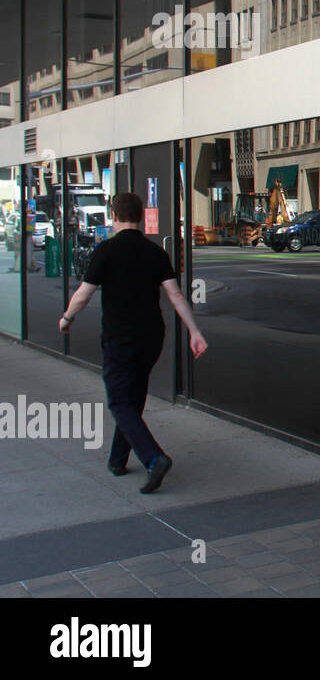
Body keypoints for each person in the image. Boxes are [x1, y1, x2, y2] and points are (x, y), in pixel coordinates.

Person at [58, 192, 207, 494]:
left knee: (119, 402)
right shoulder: (155, 253)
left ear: (113, 215)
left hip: (120, 338)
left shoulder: (106, 251)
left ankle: (154, 458)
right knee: (133, 397)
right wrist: (194, 331)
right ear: (140, 215)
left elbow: (84, 294)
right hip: (152, 336)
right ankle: (117, 459)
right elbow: (176, 295)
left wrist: (67, 318)